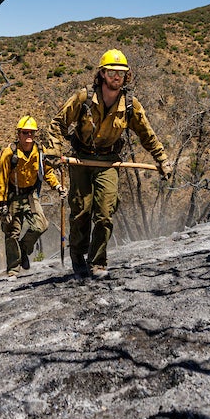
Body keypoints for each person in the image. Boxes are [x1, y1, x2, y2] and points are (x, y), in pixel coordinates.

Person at [46, 49, 171, 280]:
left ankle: (98, 262)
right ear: (102, 73)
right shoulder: (83, 99)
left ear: (127, 76)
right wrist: (52, 152)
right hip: (81, 160)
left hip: (108, 162)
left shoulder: (130, 105)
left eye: (121, 73)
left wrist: (161, 158)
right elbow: (57, 123)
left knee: (104, 215)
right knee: (81, 212)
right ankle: (78, 257)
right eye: (112, 72)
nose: (117, 76)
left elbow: (147, 134)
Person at [0, 115, 64, 278]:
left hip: (30, 195)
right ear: (18, 134)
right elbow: (2, 179)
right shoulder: (9, 153)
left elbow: (47, 171)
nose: (28, 137)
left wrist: (57, 186)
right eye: (25, 133)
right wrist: (3, 204)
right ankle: (13, 268)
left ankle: (23, 249)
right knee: (11, 231)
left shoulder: (39, 152)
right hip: (12, 196)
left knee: (41, 225)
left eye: (31, 133)